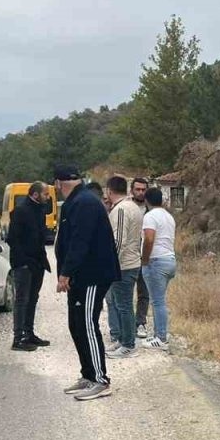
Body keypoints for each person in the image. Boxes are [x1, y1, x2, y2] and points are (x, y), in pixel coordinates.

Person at [53, 164, 120, 401]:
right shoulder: (77, 201)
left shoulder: (84, 203)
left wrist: (65, 273)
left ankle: (100, 380)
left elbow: (80, 242)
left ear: (59, 184)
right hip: (80, 277)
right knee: (76, 324)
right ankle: (88, 374)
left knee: (87, 324)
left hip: (92, 276)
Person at [4, 181, 51, 351]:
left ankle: (29, 333)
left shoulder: (40, 210)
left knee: (33, 299)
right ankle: (18, 339)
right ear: (36, 194)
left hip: (37, 263)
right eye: (45, 194)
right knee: (22, 300)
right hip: (23, 264)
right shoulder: (21, 211)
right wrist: (24, 261)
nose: (48, 197)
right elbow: (13, 239)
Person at [103, 176, 143, 358]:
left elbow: (119, 240)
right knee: (121, 304)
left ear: (109, 191)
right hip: (131, 262)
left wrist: (110, 264)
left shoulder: (120, 210)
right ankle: (123, 340)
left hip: (123, 265)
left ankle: (128, 344)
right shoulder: (133, 207)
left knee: (124, 305)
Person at [140, 187, 176, 349]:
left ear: (147, 201)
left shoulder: (150, 216)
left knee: (157, 301)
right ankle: (158, 334)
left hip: (156, 261)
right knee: (159, 299)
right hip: (169, 259)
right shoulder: (169, 217)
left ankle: (161, 337)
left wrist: (145, 259)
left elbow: (149, 239)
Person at [130, 177, 151, 339]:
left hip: (146, 256)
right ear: (132, 190)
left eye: (143, 190)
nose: (140, 192)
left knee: (144, 292)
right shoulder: (126, 207)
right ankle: (126, 324)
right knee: (125, 293)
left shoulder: (152, 210)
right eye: (138, 189)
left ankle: (140, 322)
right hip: (129, 256)